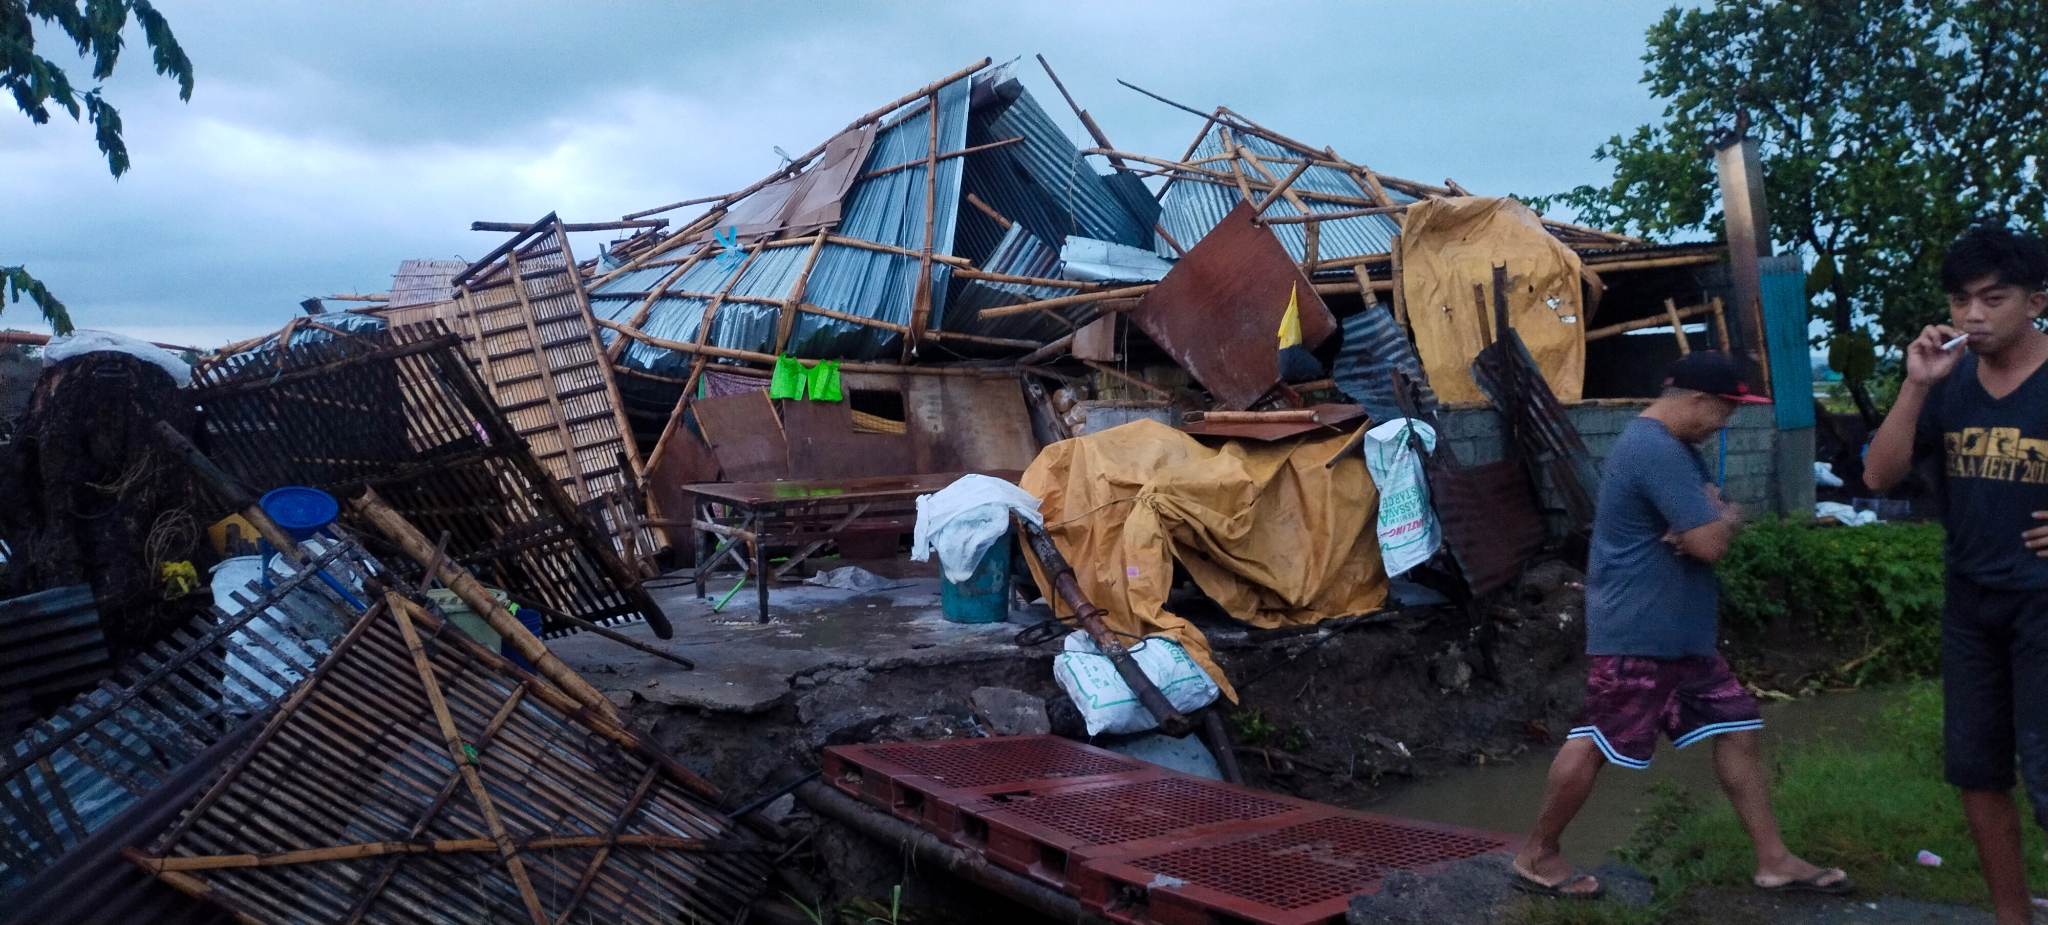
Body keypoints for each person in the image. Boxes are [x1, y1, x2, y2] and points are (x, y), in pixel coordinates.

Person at [1513, 351, 1852, 900]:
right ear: (1698, 401)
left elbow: (1709, 524)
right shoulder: (1655, 451)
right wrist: (1716, 519)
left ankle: (1774, 859)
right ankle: (1537, 852)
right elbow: (1711, 541)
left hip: (1680, 637)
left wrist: (1714, 517)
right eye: (1727, 410)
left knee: (1739, 728)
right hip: (1640, 632)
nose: (1727, 423)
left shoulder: (1676, 451)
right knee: (1596, 739)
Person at [1862, 223, 2048, 925]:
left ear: (2037, 300)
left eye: (1992, 298)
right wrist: (1916, 388)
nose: (1973, 315)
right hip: (1971, 601)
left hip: (2044, 605)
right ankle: (2013, 916)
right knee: (1976, 769)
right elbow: (1879, 474)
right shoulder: (1948, 380)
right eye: (1961, 299)